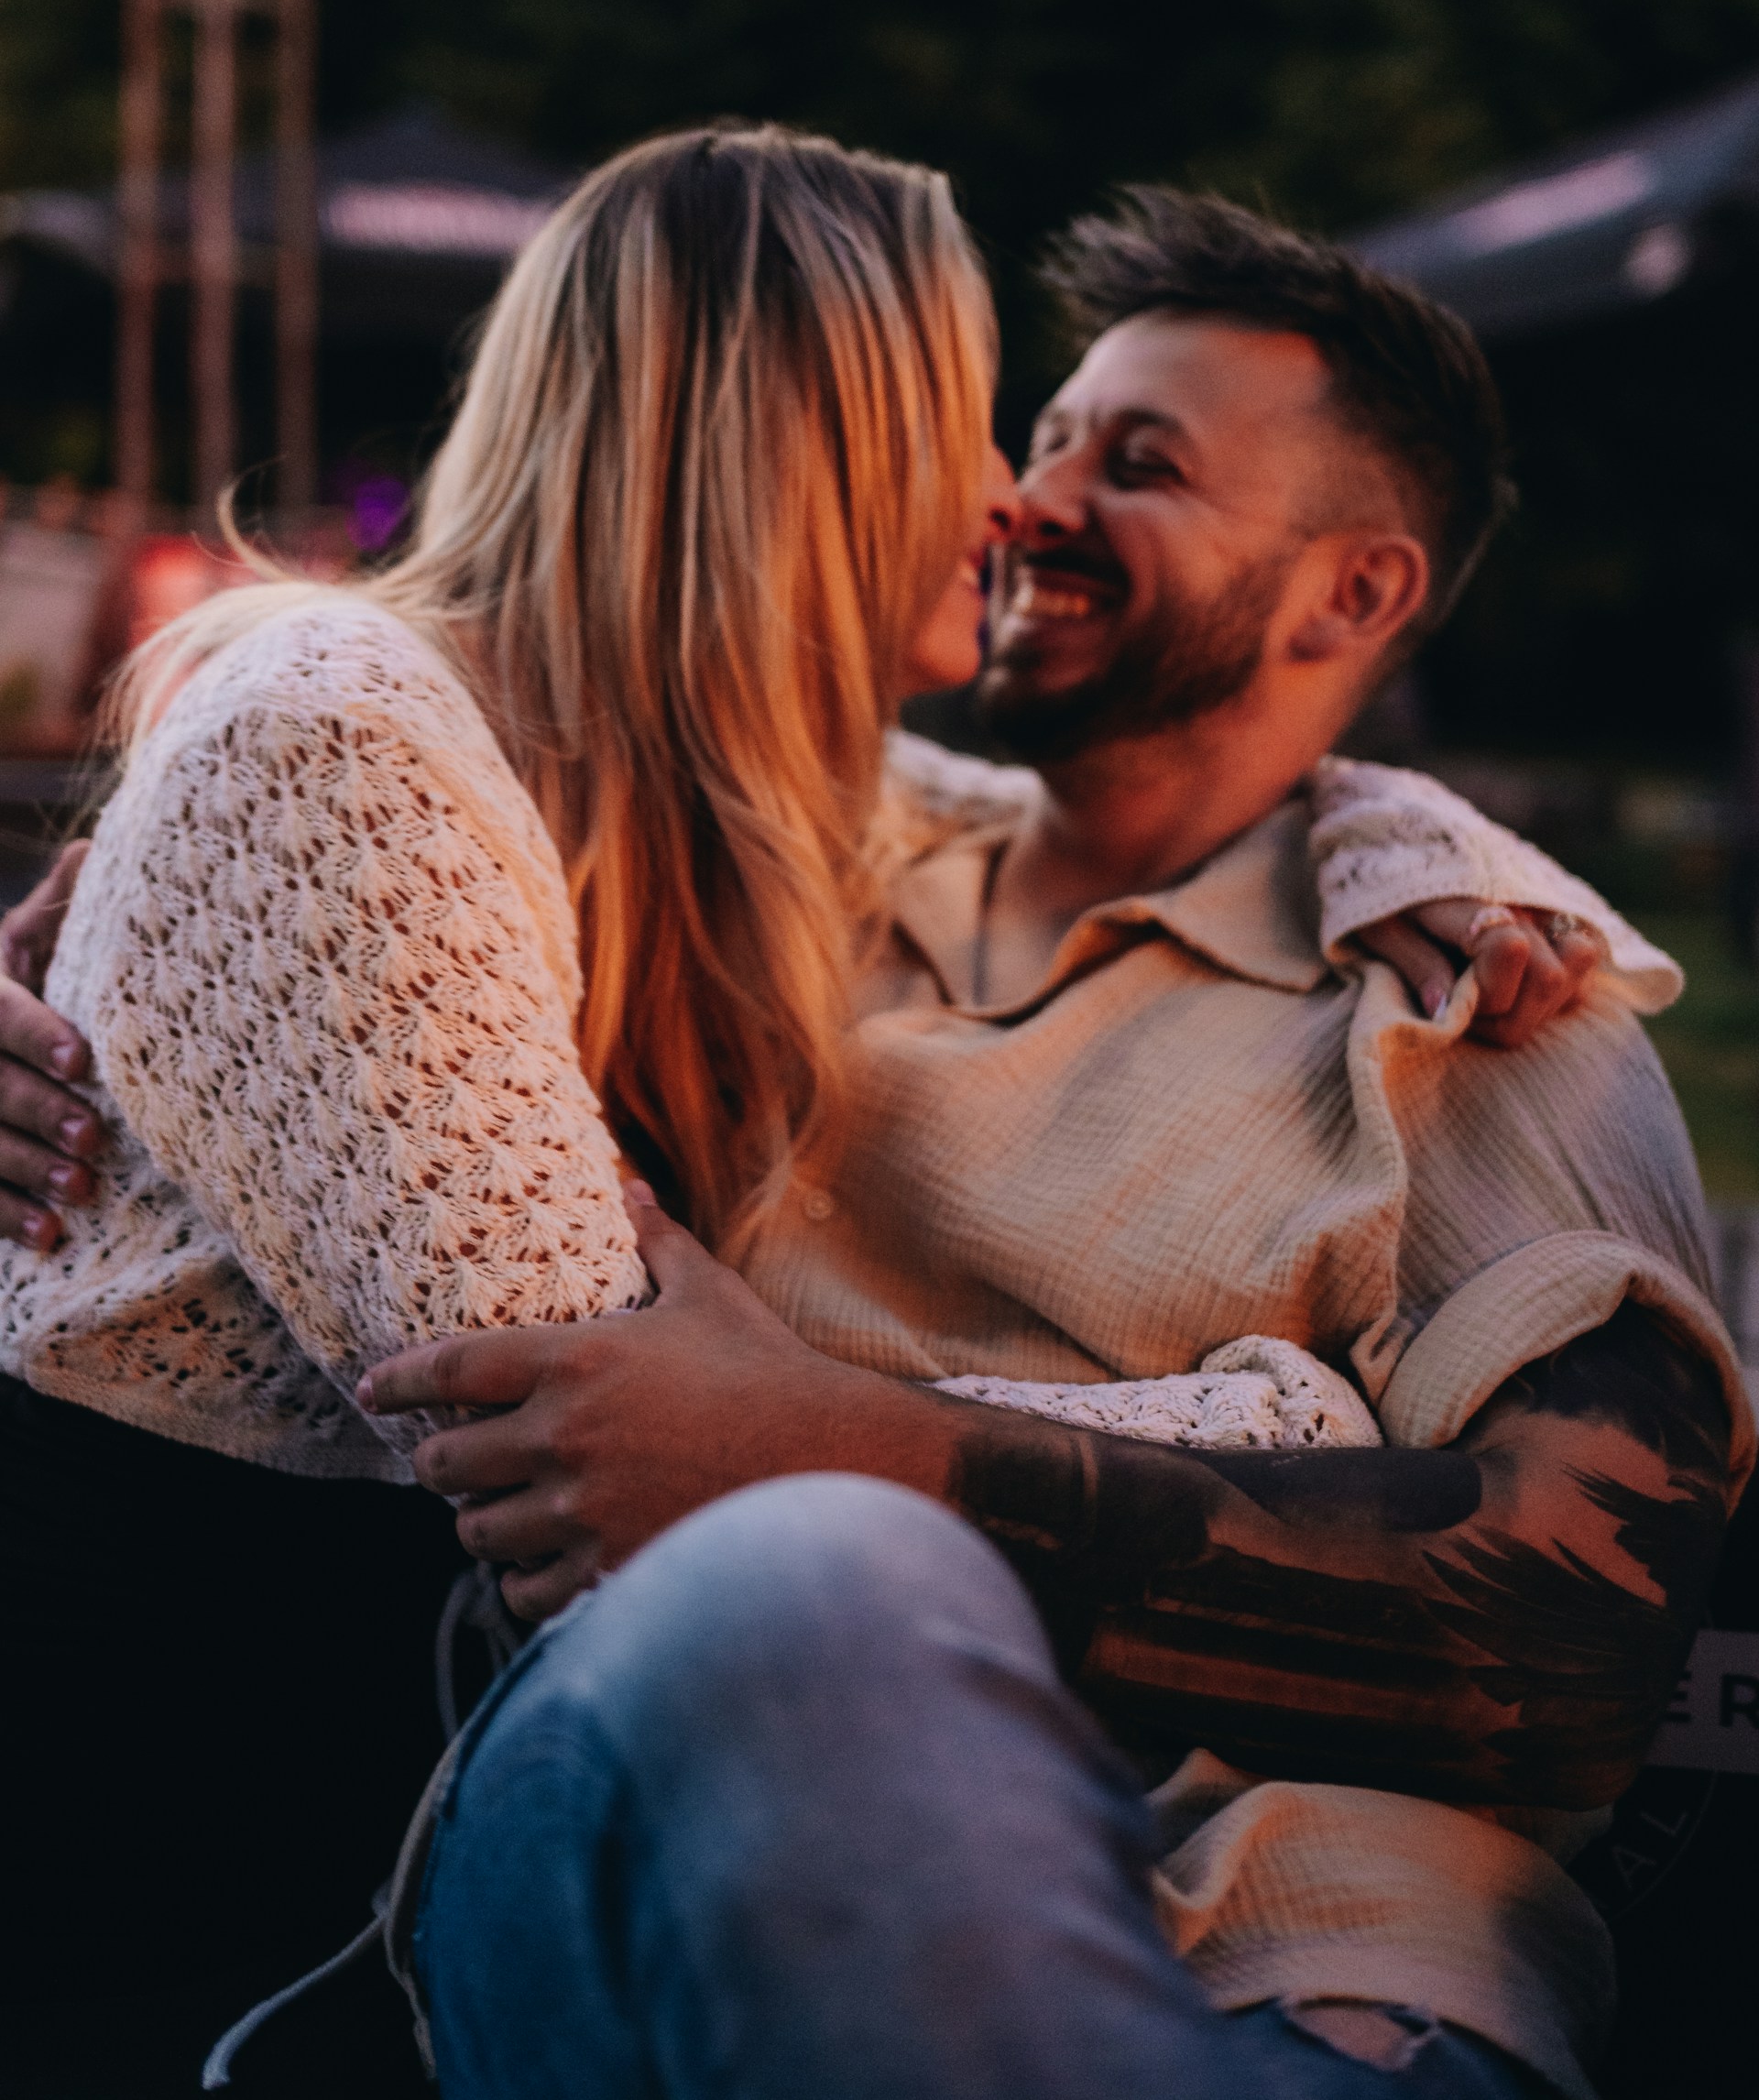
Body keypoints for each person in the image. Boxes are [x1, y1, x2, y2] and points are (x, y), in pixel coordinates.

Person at [0, 137, 1579, 2100]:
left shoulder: (707, 775)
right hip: (147, 1924)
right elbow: (632, 1455)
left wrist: (1413, 844)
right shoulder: (338, 744)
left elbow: (1128, 805)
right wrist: (1281, 1422)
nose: (1012, 499)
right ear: (791, 452)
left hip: (456, 1854)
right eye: (971, 425)